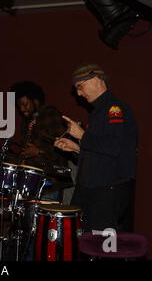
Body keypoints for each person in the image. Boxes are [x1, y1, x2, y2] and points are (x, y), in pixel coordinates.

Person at [54, 64, 137, 232]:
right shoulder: (98, 112)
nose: (78, 93)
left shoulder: (115, 109)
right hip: (92, 190)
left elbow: (115, 146)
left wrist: (83, 136)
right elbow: (102, 152)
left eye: (80, 86)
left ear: (95, 80)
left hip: (107, 191)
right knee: (81, 241)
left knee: (102, 247)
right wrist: (77, 148)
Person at [9, 81, 71, 201]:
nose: (22, 109)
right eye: (19, 106)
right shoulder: (27, 122)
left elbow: (64, 148)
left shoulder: (50, 114)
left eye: (25, 104)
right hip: (32, 182)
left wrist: (39, 152)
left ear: (36, 101)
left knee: (45, 219)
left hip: (50, 182)